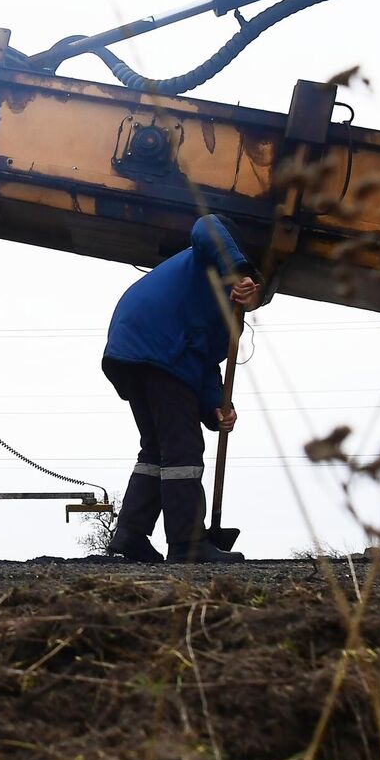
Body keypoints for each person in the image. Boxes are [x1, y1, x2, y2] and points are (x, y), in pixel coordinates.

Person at [101, 215, 263, 563]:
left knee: (157, 447)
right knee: (183, 448)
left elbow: (203, 364)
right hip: (158, 345)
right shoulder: (210, 258)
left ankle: (131, 533)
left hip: (132, 347)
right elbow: (206, 224)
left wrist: (216, 407)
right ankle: (187, 542)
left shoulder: (224, 318)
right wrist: (237, 269)